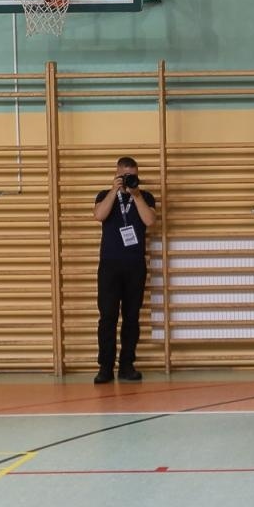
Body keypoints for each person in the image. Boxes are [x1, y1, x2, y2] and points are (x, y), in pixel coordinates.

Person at [91, 156, 157, 384]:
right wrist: (113, 191)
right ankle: (105, 366)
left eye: (133, 176)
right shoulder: (104, 195)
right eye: (125, 176)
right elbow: (99, 215)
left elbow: (149, 221)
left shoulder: (145, 196)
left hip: (134, 265)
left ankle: (127, 364)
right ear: (117, 174)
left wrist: (136, 195)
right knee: (107, 317)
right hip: (109, 265)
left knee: (131, 317)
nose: (129, 179)